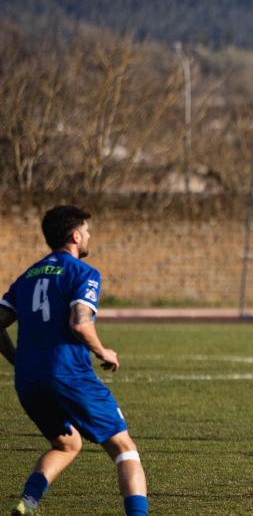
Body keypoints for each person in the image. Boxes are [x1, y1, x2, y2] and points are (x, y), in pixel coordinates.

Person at [0, 205, 149, 516]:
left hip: (28, 381)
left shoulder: (27, 276)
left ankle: (27, 503)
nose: (89, 236)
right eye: (87, 231)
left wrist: (16, 358)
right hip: (69, 375)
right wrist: (103, 351)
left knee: (67, 445)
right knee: (125, 449)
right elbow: (80, 321)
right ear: (75, 236)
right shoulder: (83, 273)